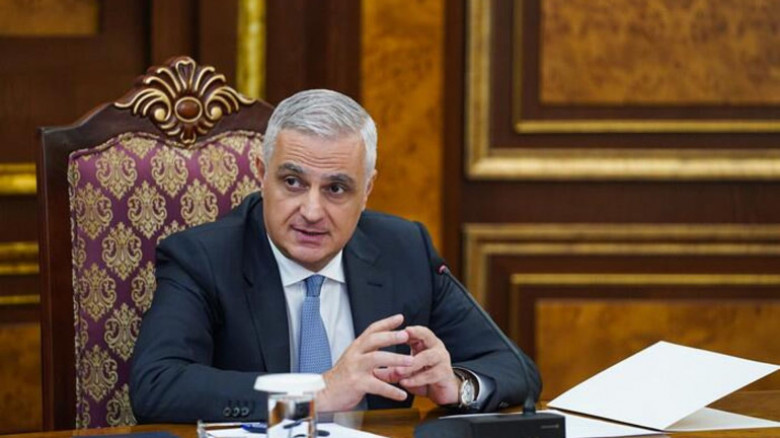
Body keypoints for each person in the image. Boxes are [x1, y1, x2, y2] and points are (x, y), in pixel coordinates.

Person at [130, 89, 541, 423]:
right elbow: (158, 386)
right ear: (262, 173)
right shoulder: (203, 258)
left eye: (336, 189)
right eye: (293, 182)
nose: (311, 211)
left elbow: (514, 367)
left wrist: (457, 385)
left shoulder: (404, 250)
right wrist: (316, 393)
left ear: (367, 190)